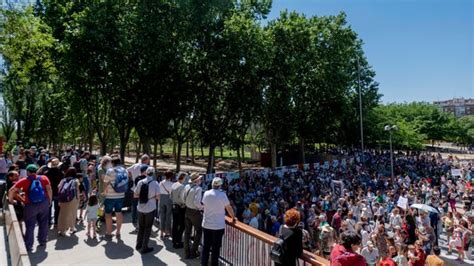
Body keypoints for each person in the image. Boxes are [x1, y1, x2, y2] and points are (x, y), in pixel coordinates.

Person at [8, 164, 52, 251]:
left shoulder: (24, 180)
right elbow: (49, 189)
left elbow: (11, 190)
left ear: (28, 172)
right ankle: (42, 241)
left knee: (30, 226)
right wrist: (49, 201)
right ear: (36, 171)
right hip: (44, 203)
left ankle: (29, 245)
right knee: (43, 223)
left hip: (30, 205)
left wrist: (11, 200)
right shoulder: (44, 178)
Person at [201, 177, 236, 266]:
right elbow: (229, 207)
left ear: (212, 185)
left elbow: (203, 204)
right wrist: (233, 217)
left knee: (206, 246)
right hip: (218, 226)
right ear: (220, 186)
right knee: (216, 248)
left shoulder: (206, 193)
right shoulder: (222, 195)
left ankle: (203, 264)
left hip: (207, 224)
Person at [134, 167, 160, 254]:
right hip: (150, 208)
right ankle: (144, 247)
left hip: (140, 208)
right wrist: (151, 197)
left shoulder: (140, 182)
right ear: (153, 174)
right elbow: (158, 197)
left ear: (146, 173)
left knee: (141, 227)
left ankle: (138, 244)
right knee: (148, 228)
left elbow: (135, 195)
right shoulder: (155, 183)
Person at [103, 157, 128, 239]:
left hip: (110, 196)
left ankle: (109, 233)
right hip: (121, 195)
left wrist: (104, 192)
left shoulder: (110, 171)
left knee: (108, 214)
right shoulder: (125, 170)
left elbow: (105, 183)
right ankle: (118, 232)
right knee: (118, 213)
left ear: (112, 163)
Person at [183, 173, 204, 260]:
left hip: (187, 210)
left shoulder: (187, 186)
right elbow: (196, 202)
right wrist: (202, 207)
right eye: (200, 179)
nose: (201, 180)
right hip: (195, 212)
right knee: (199, 231)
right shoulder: (198, 189)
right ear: (196, 180)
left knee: (187, 232)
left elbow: (183, 198)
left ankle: (186, 252)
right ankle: (193, 252)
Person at [127, 154, 150, 226]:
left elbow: (127, 170)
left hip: (134, 188)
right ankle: (142, 220)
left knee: (134, 205)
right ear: (146, 160)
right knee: (143, 204)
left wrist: (131, 177)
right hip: (145, 189)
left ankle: (134, 219)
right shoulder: (148, 168)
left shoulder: (135, 165)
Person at [57, 167, 80, 236]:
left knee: (63, 214)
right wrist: (78, 199)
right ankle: (72, 228)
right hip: (73, 198)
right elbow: (77, 190)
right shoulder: (76, 180)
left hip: (63, 198)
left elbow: (59, 188)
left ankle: (62, 231)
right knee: (72, 214)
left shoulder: (63, 180)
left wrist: (59, 199)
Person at [43, 158, 64, 225]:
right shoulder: (61, 173)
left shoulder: (46, 173)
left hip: (48, 191)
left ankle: (48, 221)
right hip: (58, 192)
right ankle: (56, 222)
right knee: (57, 208)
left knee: (48, 207)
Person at [170, 173, 186, 249]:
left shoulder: (173, 185)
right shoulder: (182, 186)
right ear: (182, 178)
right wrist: (183, 203)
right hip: (180, 207)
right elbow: (182, 198)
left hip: (174, 206)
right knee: (181, 225)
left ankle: (174, 240)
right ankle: (178, 241)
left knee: (175, 224)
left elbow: (171, 195)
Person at [159, 171, 174, 239]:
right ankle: (167, 232)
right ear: (171, 176)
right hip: (168, 199)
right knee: (168, 216)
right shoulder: (172, 184)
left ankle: (161, 232)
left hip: (161, 199)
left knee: (162, 215)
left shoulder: (161, 183)